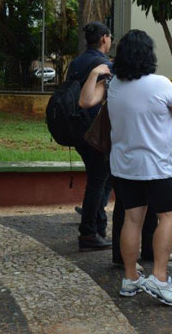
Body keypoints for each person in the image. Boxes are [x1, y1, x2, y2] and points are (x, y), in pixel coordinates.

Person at [81, 29, 172, 305]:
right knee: (170, 215)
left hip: (123, 166)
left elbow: (85, 101)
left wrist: (95, 74)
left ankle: (130, 278)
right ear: (148, 55)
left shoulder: (114, 85)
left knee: (132, 219)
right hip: (156, 166)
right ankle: (159, 277)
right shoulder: (160, 84)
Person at [67, 21, 113, 251]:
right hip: (95, 131)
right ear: (104, 38)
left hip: (76, 129)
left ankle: (98, 223)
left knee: (101, 177)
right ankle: (88, 232)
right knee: (98, 181)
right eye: (110, 37)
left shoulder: (76, 62)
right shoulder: (103, 65)